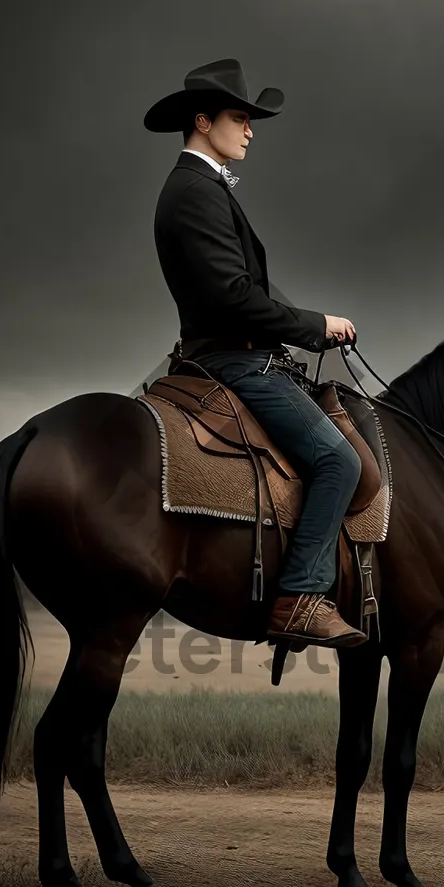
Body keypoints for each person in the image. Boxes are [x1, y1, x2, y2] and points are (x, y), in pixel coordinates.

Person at [145, 58, 368, 649]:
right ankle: (299, 597)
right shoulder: (195, 191)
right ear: (202, 121)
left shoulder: (200, 187)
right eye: (240, 118)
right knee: (340, 462)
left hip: (227, 352)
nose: (250, 131)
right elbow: (234, 297)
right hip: (235, 360)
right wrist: (317, 325)